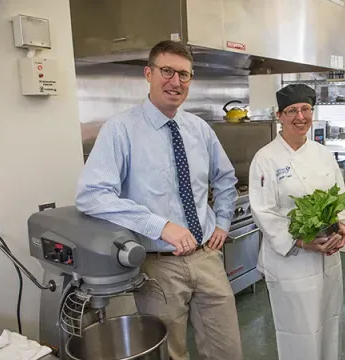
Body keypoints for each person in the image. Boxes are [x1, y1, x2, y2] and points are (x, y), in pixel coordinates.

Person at [75, 40, 243, 360]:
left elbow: (225, 178)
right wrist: (161, 226)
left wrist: (222, 221)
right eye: (167, 71)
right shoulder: (120, 130)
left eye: (184, 74)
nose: (175, 82)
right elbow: (92, 195)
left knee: (227, 350)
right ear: (148, 73)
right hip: (158, 267)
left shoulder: (199, 129)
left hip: (207, 256)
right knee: (169, 354)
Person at [248, 84, 345, 360]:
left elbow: (341, 197)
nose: (300, 116)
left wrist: (342, 227)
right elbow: (263, 210)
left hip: (327, 257)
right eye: (292, 110)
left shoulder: (322, 154)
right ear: (279, 115)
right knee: (298, 332)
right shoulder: (266, 158)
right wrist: (299, 240)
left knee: (329, 322)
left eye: (305, 109)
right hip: (290, 262)